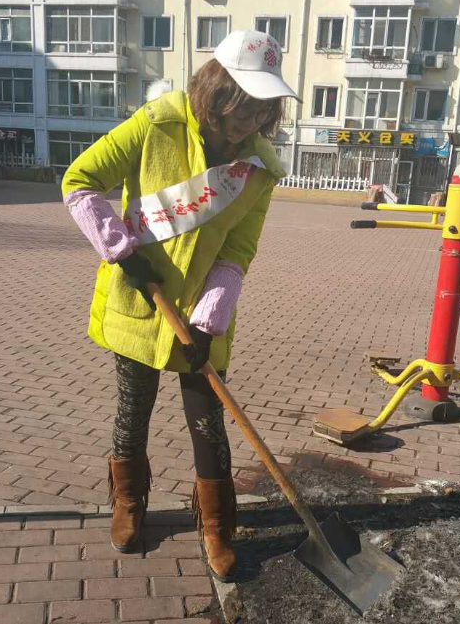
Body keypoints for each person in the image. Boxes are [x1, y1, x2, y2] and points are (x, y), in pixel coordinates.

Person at [61, 30, 300, 582]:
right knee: (133, 411)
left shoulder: (259, 169)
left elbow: (238, 251)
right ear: (216, 90)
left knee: (208, 421)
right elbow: (80, 181)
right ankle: (129, 503)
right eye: (240, 108)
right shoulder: (156, 123)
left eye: (261, 112)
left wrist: (208, 320)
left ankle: (216, 525)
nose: (246, 124)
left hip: (204, 315)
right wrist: (122, 251)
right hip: (140, 300)